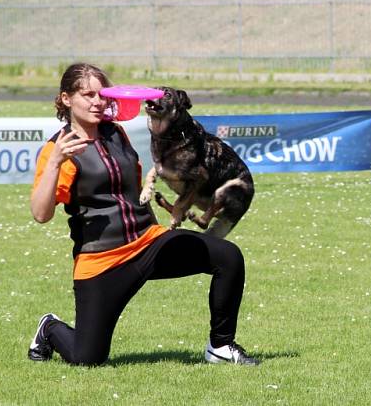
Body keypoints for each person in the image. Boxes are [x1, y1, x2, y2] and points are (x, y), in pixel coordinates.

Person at [28, 62, 258, 366]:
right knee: (88, 358)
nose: (97, 102)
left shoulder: (116, 134)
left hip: (148, 242)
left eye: (102, 95)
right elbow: (41, 214)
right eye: (87, 95)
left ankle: (221, 347)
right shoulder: (57, 149)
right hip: (102, 262)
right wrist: (56, 162)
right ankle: (50, 328)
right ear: (67, 99)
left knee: (228, 257)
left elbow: (134, 189)